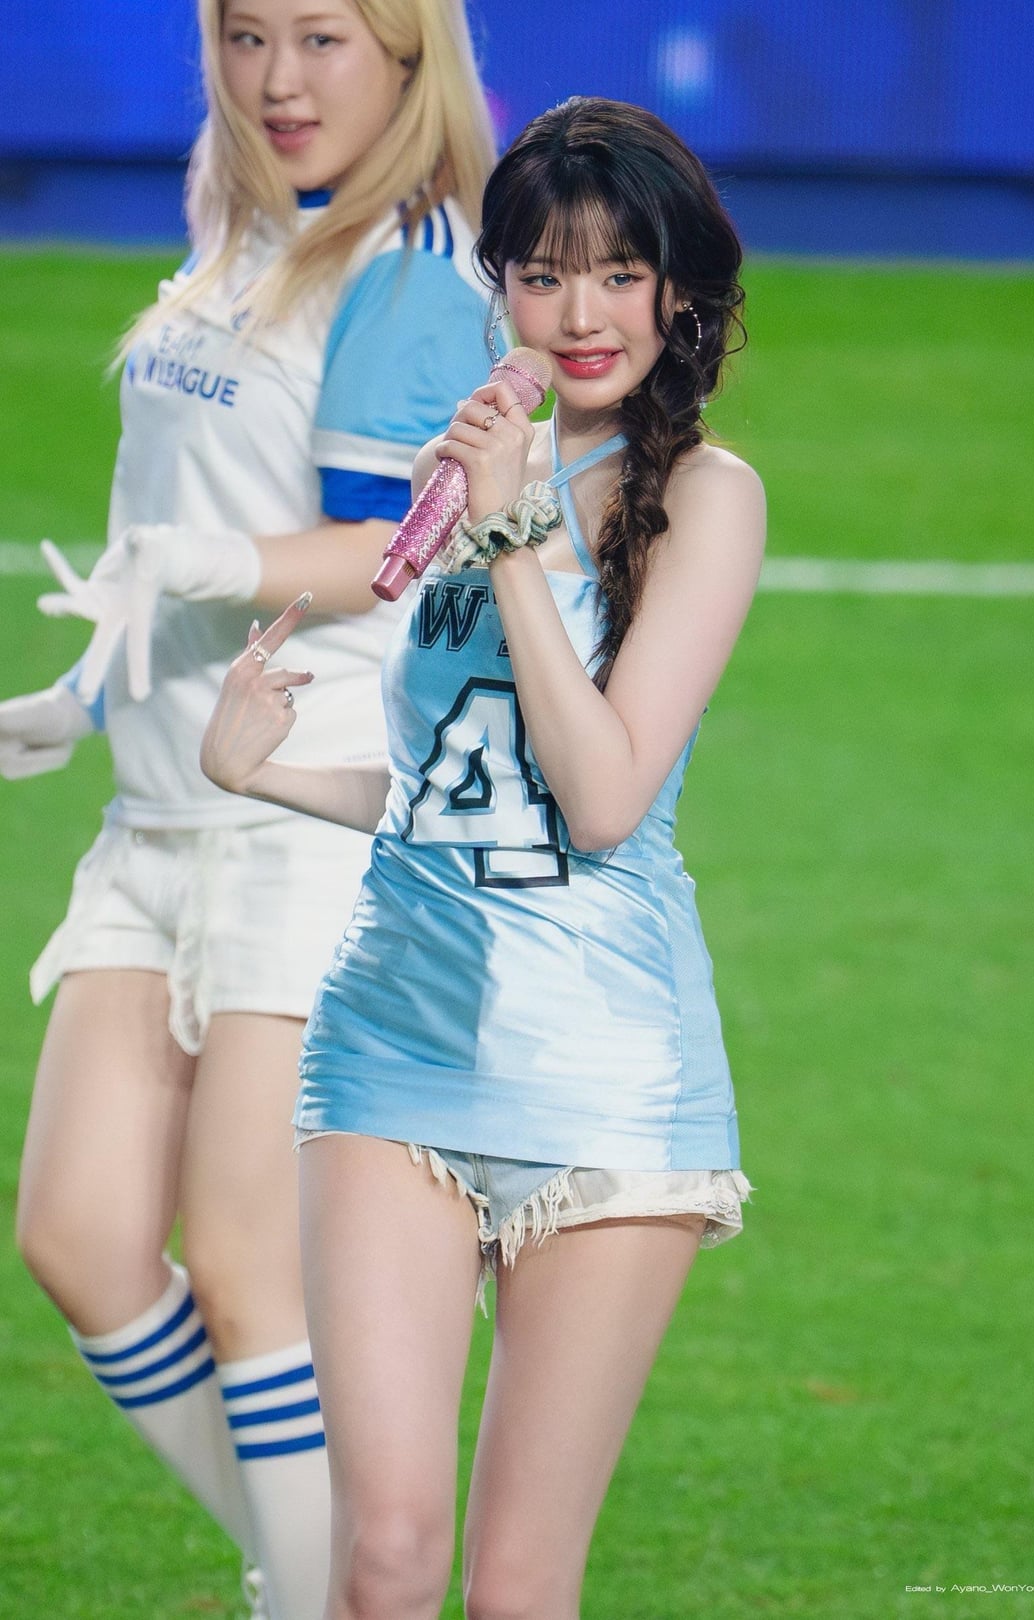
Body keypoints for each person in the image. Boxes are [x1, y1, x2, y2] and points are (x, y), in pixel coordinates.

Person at [200, 96, 765, 1620]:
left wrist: (513, 538)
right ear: (498, 286)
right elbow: (455, 786)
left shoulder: (709, 499)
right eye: (541, 275)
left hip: (604, 1079)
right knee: (382, 1560)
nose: (579, 316)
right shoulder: (461, 468)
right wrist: (267, 772)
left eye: (618, 275)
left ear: (676, 291)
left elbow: (602, 797)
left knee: (516, 1589)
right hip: (388, 1044)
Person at [5, 3, 495, 1616]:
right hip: (154, 822)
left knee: (248, 1275)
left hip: (301, 818)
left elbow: (391, 545)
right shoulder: (241, 230)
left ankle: (328, 1592)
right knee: (79, 1242)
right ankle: (337, 1579)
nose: (277, 80)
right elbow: (168, 507)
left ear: (408, 56)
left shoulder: (409, 269)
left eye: (324, 39)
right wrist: (86, 694)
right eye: (245, 35)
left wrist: (213, 568)